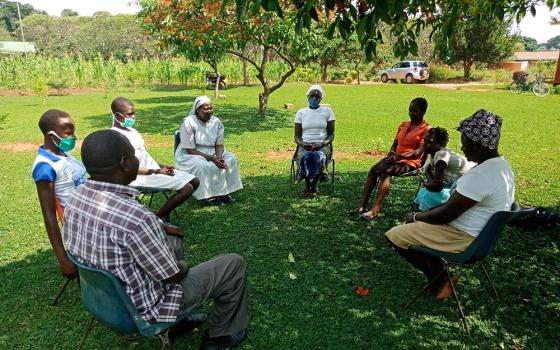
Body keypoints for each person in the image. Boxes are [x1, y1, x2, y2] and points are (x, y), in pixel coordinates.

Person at [63, 130, 248, 349]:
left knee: (172, 240)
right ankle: (221, 335)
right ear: (124, 163)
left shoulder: (75, 198)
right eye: (133, 156)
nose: (136, 160)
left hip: (104, 299)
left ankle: (180, 323)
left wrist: (161, 227)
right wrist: (183, 265)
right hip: (145, 310)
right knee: (233, 264)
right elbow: (172, 275)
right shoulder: (136, 218)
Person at [384, 109, 515, 300]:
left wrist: (416, 216)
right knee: (417, 225)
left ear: (479, 145)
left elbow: (445, 214)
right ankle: (442, 277)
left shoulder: (481, 176)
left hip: (464, 239)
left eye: (465, 143)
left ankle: (441, 278)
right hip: (480, 237)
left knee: (395, 235)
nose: (462, 148)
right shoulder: (501, 166)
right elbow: (449, 208)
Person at [111, 97, 199, 222]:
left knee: (195, 181)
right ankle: (156, 217)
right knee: (187, 188)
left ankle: (164, 213)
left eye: (134, 113)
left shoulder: (131, 131)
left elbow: (144, 157)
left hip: (153, 171)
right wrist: (157, 171)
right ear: (118, 116)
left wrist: (161, 166)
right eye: (129, 115)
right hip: (138, 177)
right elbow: (128, 168)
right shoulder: (116, 137)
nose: (133, 117)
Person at [353, 97, 431, 219]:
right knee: (373, 170)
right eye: (410, 110)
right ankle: (362, 206)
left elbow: (418, 152)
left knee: (386, 172)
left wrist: (399, 156)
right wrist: (392, 153)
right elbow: (395, 143)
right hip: (395, 158)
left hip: (411, 162)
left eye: (415, 111)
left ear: (423, 112)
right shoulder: (403, 125)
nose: (411, 113)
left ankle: (375, 210)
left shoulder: (426, 129)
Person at [32, 109, 87, 279]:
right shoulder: (45, 167)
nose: (74, 137)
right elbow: (49, 215)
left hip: (91, 211)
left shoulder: (62, 153)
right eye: (68, 133)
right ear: (51, 135)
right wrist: (63, 260)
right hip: (80, 225)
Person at [175, 96, 243, 206]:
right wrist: (212, 159)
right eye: (206, 109)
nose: (210, 111)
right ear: (197, 110)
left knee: (231, 159)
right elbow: (190, 150)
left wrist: (219, 156)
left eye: (211, 108)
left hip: (212, 151)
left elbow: (219, 144)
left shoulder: (216, 122)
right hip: (191, 154)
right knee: (206, 166)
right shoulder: (188, 122)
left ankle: (224, 192)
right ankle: (210, 195)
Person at [413, 127, 475, 212]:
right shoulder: (435, 153)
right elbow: (434, 181)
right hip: (457, 184)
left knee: (427, 193)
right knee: (425, 192)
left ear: (441, 144)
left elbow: (436, 186)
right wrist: (428, 175)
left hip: (469, 184)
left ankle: (418, 219)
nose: (424, 144)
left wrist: (427, 181)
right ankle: (415, 218)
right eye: (425, 140)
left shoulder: (441, 155)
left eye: (429, 142)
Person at [294, 84, 335, 196]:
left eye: (317, 97)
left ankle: (314, 185)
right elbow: (296, 136)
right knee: (306, 156)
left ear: (321, 98)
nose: (314, 99)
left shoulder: (328, 112)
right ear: (308, 96)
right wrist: (303, 144)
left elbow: (331, 134)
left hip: (323, 145)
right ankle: (308, 185)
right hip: (305, 144)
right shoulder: (301, 113)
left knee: (318, 156)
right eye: (312, 96)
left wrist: (322, 144)